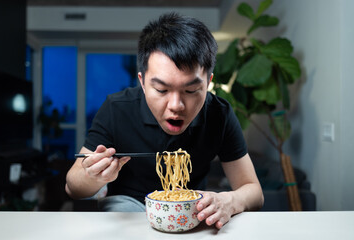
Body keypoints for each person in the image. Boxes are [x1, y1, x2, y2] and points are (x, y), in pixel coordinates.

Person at [65, 12, 264, 229]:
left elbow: (253, 190)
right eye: (161, 89)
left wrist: (230, 201)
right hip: (129, 210)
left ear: (208, 83)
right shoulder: (117, 109)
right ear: (142, 82)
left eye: (191, 90)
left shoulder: (219, 113)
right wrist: (93, 176)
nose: (176, 105)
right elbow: (72, 187)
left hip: (190, 211)